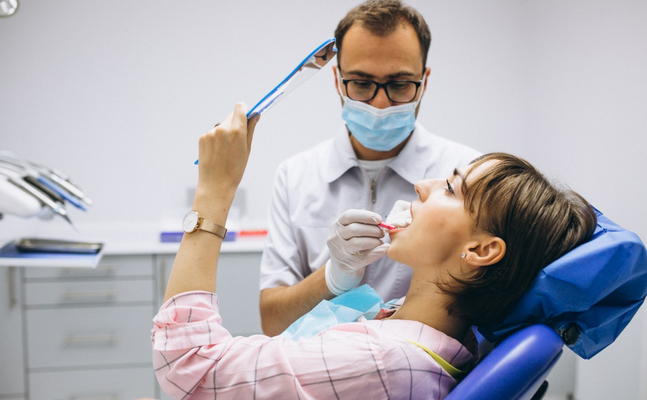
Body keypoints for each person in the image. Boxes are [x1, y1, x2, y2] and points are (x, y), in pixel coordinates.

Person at [153, 103, 597, 399]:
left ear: (481, 250)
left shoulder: (381, 362)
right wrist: (336, 277)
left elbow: (188, 367)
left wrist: (213, 191)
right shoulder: (433, 330)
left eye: (449, 187)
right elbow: (276, 323)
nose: (422, 186)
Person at [260, 0, 482, 336]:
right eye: (361, 83)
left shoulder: (467, 173)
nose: (379, 104)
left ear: (424, 81)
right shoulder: (295, 176)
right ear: (337, 79)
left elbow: (487, 311)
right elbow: (273, 323)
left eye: (399, 85)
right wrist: (333, 275)